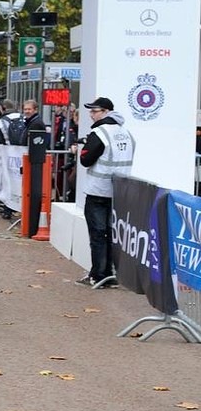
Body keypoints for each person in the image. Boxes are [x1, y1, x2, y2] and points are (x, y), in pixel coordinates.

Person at [73, 97, 136, 287]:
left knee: (98, 235)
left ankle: (99, 275)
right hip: (118, 193)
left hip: (98, 191)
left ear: (106, 112)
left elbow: (86, 160)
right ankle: (111, 274)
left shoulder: (99, 133)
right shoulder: (126, 133)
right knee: (112, 234)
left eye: (95, 111)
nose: (91, 115)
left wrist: (79, 149)